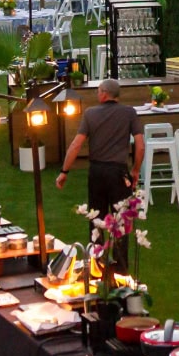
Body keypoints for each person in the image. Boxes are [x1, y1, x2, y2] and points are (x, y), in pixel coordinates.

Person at [56, 79, 144, 241]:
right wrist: (136, 170)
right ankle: (120, 263)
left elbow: (76, 145)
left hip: (97, 172)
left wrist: (64, 171)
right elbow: (140, 146)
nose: (97, 94)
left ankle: (97, 260)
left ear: (104, 94)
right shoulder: (129, 113)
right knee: (121, 221)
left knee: (96, 218)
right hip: (119, 173)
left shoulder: (90, 113)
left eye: (98, 91)